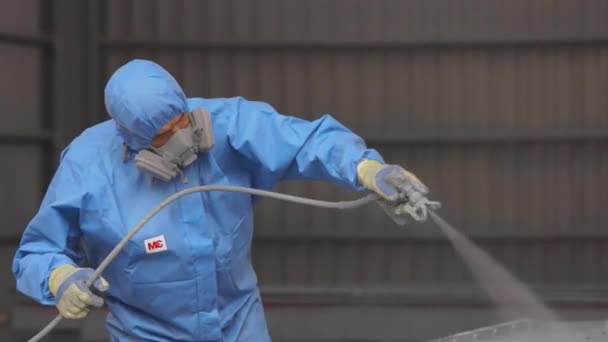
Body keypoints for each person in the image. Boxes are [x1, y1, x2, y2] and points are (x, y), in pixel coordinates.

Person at [12, 59, 427, 341]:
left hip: (238, 323)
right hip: (148, 333)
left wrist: (367, 170)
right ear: (129, 139)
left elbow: (307, 142)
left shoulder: (229, 126)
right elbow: (37, 251)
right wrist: (60, 279)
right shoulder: (88, 166)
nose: (180, 140)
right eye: (161, 137)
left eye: (181, 122)